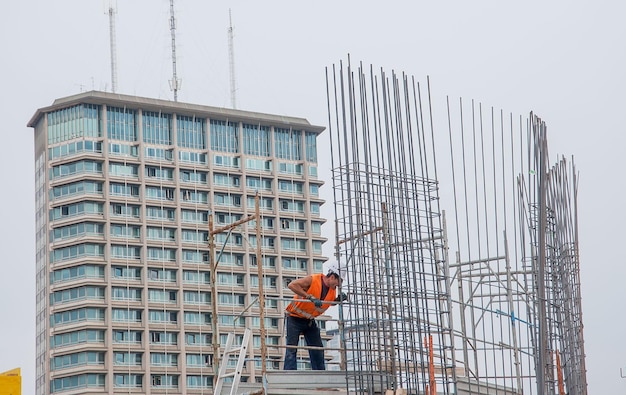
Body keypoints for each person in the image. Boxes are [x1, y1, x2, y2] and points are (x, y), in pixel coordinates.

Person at [283, 262, 347, 370]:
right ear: (332, 277)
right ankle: (290, 375)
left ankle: (320, 374)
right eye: (338, 282)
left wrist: (337, 300)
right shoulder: (313, 280)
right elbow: (292, 285)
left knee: (317, 348)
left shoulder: (332, 290)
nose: (338, 285)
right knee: (292, 348)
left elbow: (327, 302)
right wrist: (309, 296)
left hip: (309, 320)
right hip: (294, 317)